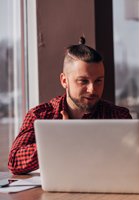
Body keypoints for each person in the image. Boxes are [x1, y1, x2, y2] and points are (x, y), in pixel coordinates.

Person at [8, 37, 132, 175]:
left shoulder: (119, 116)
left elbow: (134, 159)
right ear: (64, 80)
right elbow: (14, 162)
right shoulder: (40, 115)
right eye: (83, 81)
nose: (92, 89)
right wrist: (59, 138)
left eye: (98, 81)